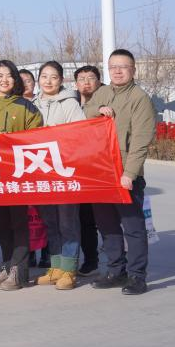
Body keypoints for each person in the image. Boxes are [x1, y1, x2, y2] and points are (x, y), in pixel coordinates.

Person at [85, 49, 156, 296]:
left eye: (123, 66)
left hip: (125, 174)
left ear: (133, 70)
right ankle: (116, 271)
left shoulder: (139, 98)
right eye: (113, 66)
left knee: (133, 228)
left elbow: (141, 141)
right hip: (101, 172)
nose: (117, 71)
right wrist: (99, 108)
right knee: (107, 226)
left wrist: (130, 173)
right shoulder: (102, 92)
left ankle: (137, 276)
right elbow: (87, 110)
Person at [0, 60, 43, 292]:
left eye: (9, 75)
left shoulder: (26, 107)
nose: (4, 80)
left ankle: (19, 270)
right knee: (1, 224)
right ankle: (7, 265)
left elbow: (37, 138)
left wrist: (15, 141)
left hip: (18, 175)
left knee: (18, 223)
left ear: (15, 79)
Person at [30, 61, 87, 290]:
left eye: (54, 77)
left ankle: (70, 269)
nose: (48, 81)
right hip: (42, 173)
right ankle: (55, 267)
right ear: (38, 80)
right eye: (44, 76)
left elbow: (81, 134)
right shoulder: (33, 104)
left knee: (67, 222)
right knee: (50, 222)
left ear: (61, 80)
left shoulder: (69, 103)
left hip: (64, 172)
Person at [73, 64, 104, 273]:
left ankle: (119, 261)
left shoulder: (107, 103)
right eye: (81, 79)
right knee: (84, 220)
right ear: (76, 83)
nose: (86, 82)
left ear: (98, 81)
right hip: (77, 170)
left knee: (106, 218)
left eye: (91, 78)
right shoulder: (70, 103)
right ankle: (90, 260)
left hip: (100, 169)